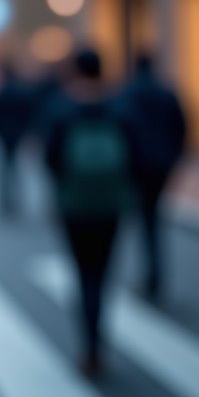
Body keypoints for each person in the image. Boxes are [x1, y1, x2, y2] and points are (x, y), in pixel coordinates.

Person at [43, 48, 137, 377]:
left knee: (82, 272)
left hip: (75, 201)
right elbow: (134, 153)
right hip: (111, 200)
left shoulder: (61, 107)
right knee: (104, 269)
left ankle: (89, 347)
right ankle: (100, 337)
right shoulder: (120, 105)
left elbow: (51, 157)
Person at [119, 52, 187, 298]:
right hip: (162, 164)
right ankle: (155, 274)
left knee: (145, 217)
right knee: (153, 216)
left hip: (137, 166)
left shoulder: (127, 93)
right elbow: (182, 127)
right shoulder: (166, 92)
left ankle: (151, 274)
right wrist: (175, 157)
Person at [0, 65, 37, 217]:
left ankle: (5, 200)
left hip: (4, 133)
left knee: (4, 167)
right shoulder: (22, 93)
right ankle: (17, 198)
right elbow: (28, 114)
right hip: (17, 133)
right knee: (15, 165)